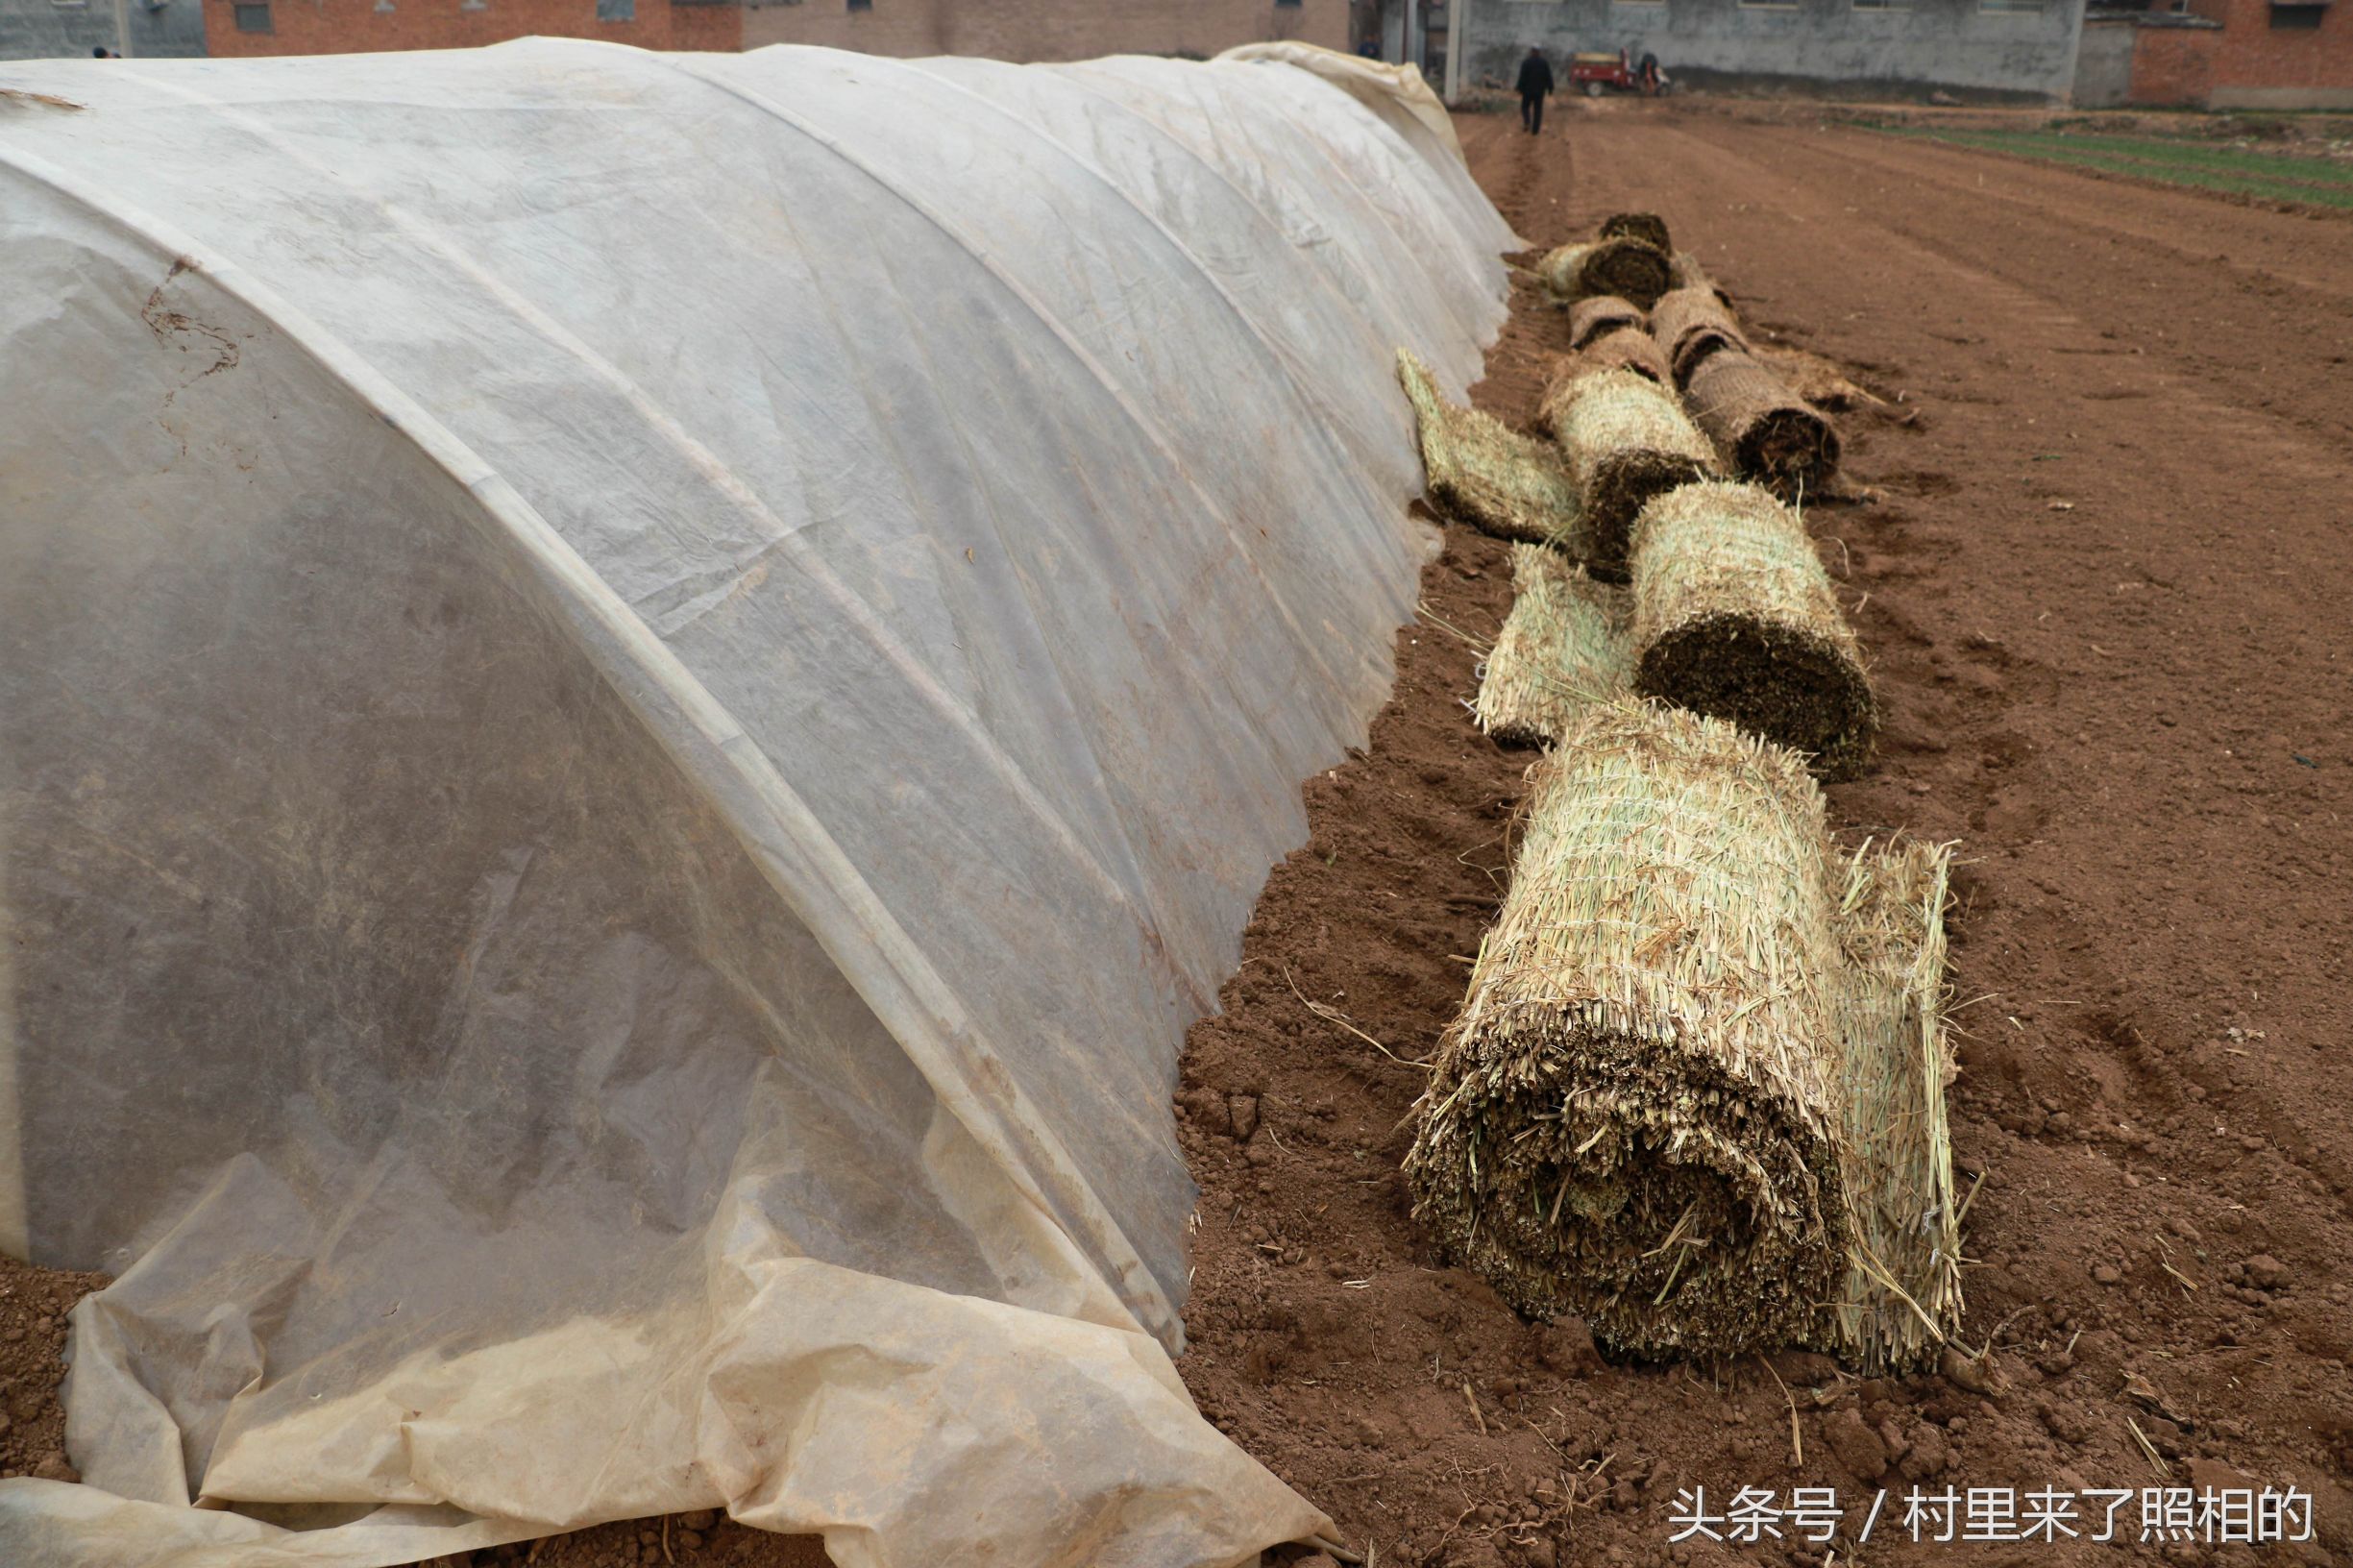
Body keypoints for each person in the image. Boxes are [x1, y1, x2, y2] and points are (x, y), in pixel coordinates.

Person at [1515, 47, 1554, 136]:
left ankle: (1527, 121)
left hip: (1527, 91)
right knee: (1538, 110)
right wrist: (1550, 89)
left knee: (1524, 107)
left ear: (1531, 52)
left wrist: (1519, 88)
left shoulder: (1526, 62)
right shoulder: (1544, 63)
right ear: (1539, 52)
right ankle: (1535, 131)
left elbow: (1522, 77)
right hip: (1539, 92)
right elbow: (1548, 77)